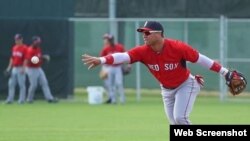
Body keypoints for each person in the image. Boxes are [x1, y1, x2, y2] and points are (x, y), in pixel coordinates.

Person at [82, 21, 233, 125]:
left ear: (159, 34)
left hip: (186, 85)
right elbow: (123, 56)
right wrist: (101, 60)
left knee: (180, 118)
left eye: (147, 32)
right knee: (174, 123)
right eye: (142, 32)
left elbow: (201, 60)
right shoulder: (143, 51)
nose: (144, 35)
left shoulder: (177, 47)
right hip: (166, 90)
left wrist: (225, 72)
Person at [24, 36, 57, 103]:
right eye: (37, 42)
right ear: (33, 42)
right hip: (31, 69)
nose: (38, 43)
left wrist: (43, 57)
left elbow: (38, 57)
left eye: (39, 42)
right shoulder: (30, 50)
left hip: (38, 68)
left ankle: (49, 98)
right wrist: (42, 59)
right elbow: (30, 60)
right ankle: (29, 99)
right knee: (34, 85)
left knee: (44, 83)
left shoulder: (38, 49)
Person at [99, 33, 128, 104]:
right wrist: (104, 69)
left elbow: (126, 56)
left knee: (119, 83)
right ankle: (113, 100)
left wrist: (128, 65)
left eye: (108, 40)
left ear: (112, 40)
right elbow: (101, 59)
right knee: (110, 84)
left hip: (118, 67)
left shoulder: (119, 47)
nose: (107, 41)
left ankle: (122, 99)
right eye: (107, 40)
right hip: (109, 67)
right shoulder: (105, 49)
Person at [4, 33, 27, 104]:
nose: (17, 41)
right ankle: (10, 99)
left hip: (21, 67)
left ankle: (21, 100)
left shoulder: (25, 48)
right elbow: (12, 58)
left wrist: (24, 68)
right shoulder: (14, 47)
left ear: (21, 39)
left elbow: (26, 59)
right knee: (11, 84)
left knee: (21, 85)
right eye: (16, 39)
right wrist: (8, 68)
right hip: (14, 68)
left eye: (18, 39)